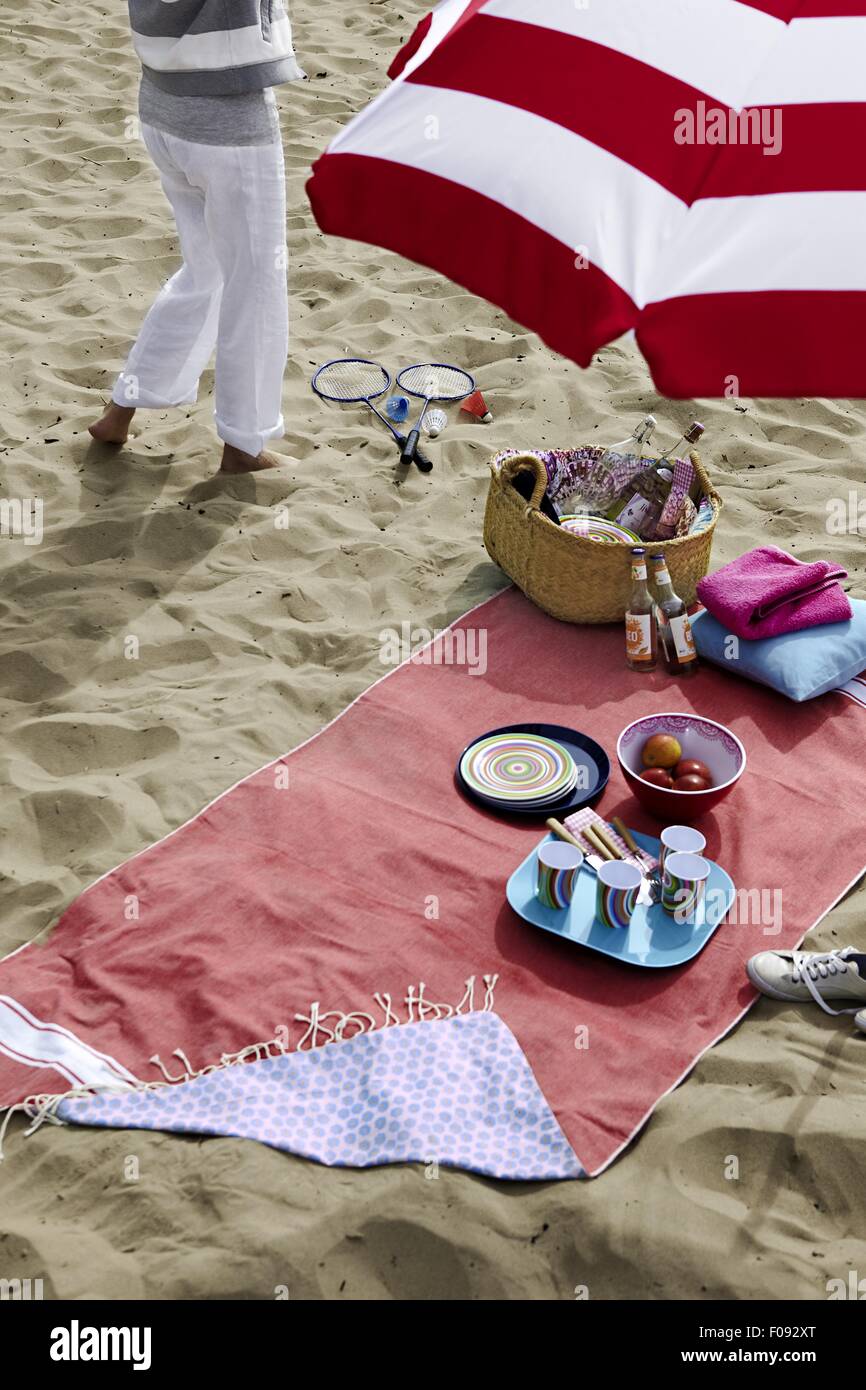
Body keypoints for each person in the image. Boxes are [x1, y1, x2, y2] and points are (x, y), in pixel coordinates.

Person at [90, 1, 304, 473]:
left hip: (162, 107)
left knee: (206, 271)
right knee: (254, 283)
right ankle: (244, 446)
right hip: (226, 124)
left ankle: (121, 410)